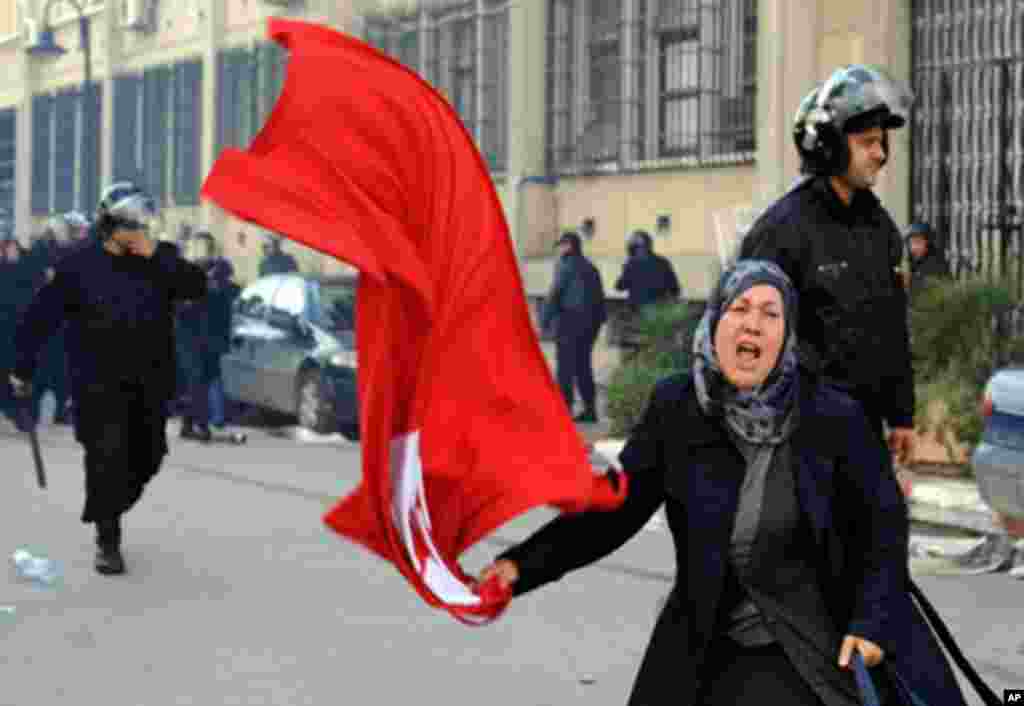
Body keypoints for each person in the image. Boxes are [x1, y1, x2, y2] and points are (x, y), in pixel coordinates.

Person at [479, 260, 969, 706]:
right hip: (709, 647)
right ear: (715, 323)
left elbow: (882, 527)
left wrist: (872, 623)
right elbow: (614, 511)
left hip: (820, 644)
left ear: (787, 337)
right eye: (739, 308)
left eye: (770, 314)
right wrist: (521, 566)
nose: (752, 323)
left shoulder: (832, 416)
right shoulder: (677, 409)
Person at [10, 182, 207, 576]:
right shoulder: (78, 265)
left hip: (150, 381)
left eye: (143, 225)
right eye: (133, 225)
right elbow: (40, 316)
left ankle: (115, 502)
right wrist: (22, 366)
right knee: (105, 457)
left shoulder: (158, 259)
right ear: (111, 225)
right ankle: (108, 539)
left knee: (148, 455)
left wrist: (156, 255)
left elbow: (195, 287)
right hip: (97, 383)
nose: (140, 232)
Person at [739, 65, 916, 465]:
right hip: (801, 436)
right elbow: (748, 341)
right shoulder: (781, 231)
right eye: (868, 142)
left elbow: (891, 326)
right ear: (831, 146)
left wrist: (902, 414)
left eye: (882, 142)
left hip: (865, 431)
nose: (881, 154)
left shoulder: (880, 227)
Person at [541, 230, 607, 423]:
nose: (559, 249)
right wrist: (597, 324)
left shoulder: (565, 266)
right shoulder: (591, 267)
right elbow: (600, 299)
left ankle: (564, 411)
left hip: (569, 323)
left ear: (569, 245)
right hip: (590, 325)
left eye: (561, 245)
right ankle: (590, 410)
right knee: (583, 367)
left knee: (565, 370)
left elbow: (554, 294)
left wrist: (544, 322)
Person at [615, 229, 681, 309]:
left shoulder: (631, 264)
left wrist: (624, 270)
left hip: (637, 311)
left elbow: (619, 287)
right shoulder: (662, 262)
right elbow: (675, 289)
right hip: (657, 310)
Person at [904, 222, 951, 295]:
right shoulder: (914, 262)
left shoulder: (936, 263)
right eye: (911, 243)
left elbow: (935, 285)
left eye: (918, 242)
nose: (914, 247)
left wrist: (911, 281)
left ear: (928, 243)